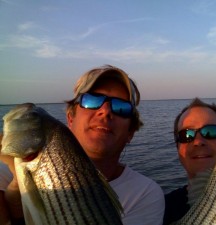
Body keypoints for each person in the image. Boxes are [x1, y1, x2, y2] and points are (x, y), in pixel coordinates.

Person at [0, 65, 165, 225]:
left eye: (121, 107)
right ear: (70, 118)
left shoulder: (145, 194)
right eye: (92, 100)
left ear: (131, 132)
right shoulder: (4, 171)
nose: (105, 111)